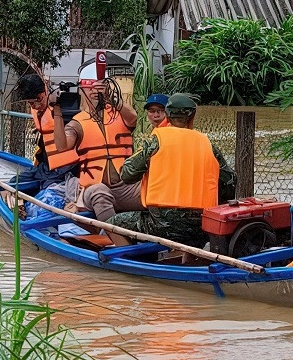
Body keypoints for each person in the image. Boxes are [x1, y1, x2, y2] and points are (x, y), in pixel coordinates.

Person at [97, 93, 235, 247]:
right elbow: (229, 182)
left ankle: (131, 261)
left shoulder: (156, 141)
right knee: (191, 235)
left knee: (112, 224)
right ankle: (188, 258)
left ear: (167, 115)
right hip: (202, 225)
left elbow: (127, 175)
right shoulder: (208, 144)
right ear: (192, 116)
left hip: (161, 224)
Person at [17, 72, 82, 206]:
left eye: (38, 100)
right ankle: (16, 204)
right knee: (14, 184)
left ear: (46, 92)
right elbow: (45, 136)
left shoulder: (62, 107)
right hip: (46, 165)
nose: (35, 106)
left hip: (66, 168)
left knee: (47, 192)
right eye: (30, 103)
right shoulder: (35, 109)